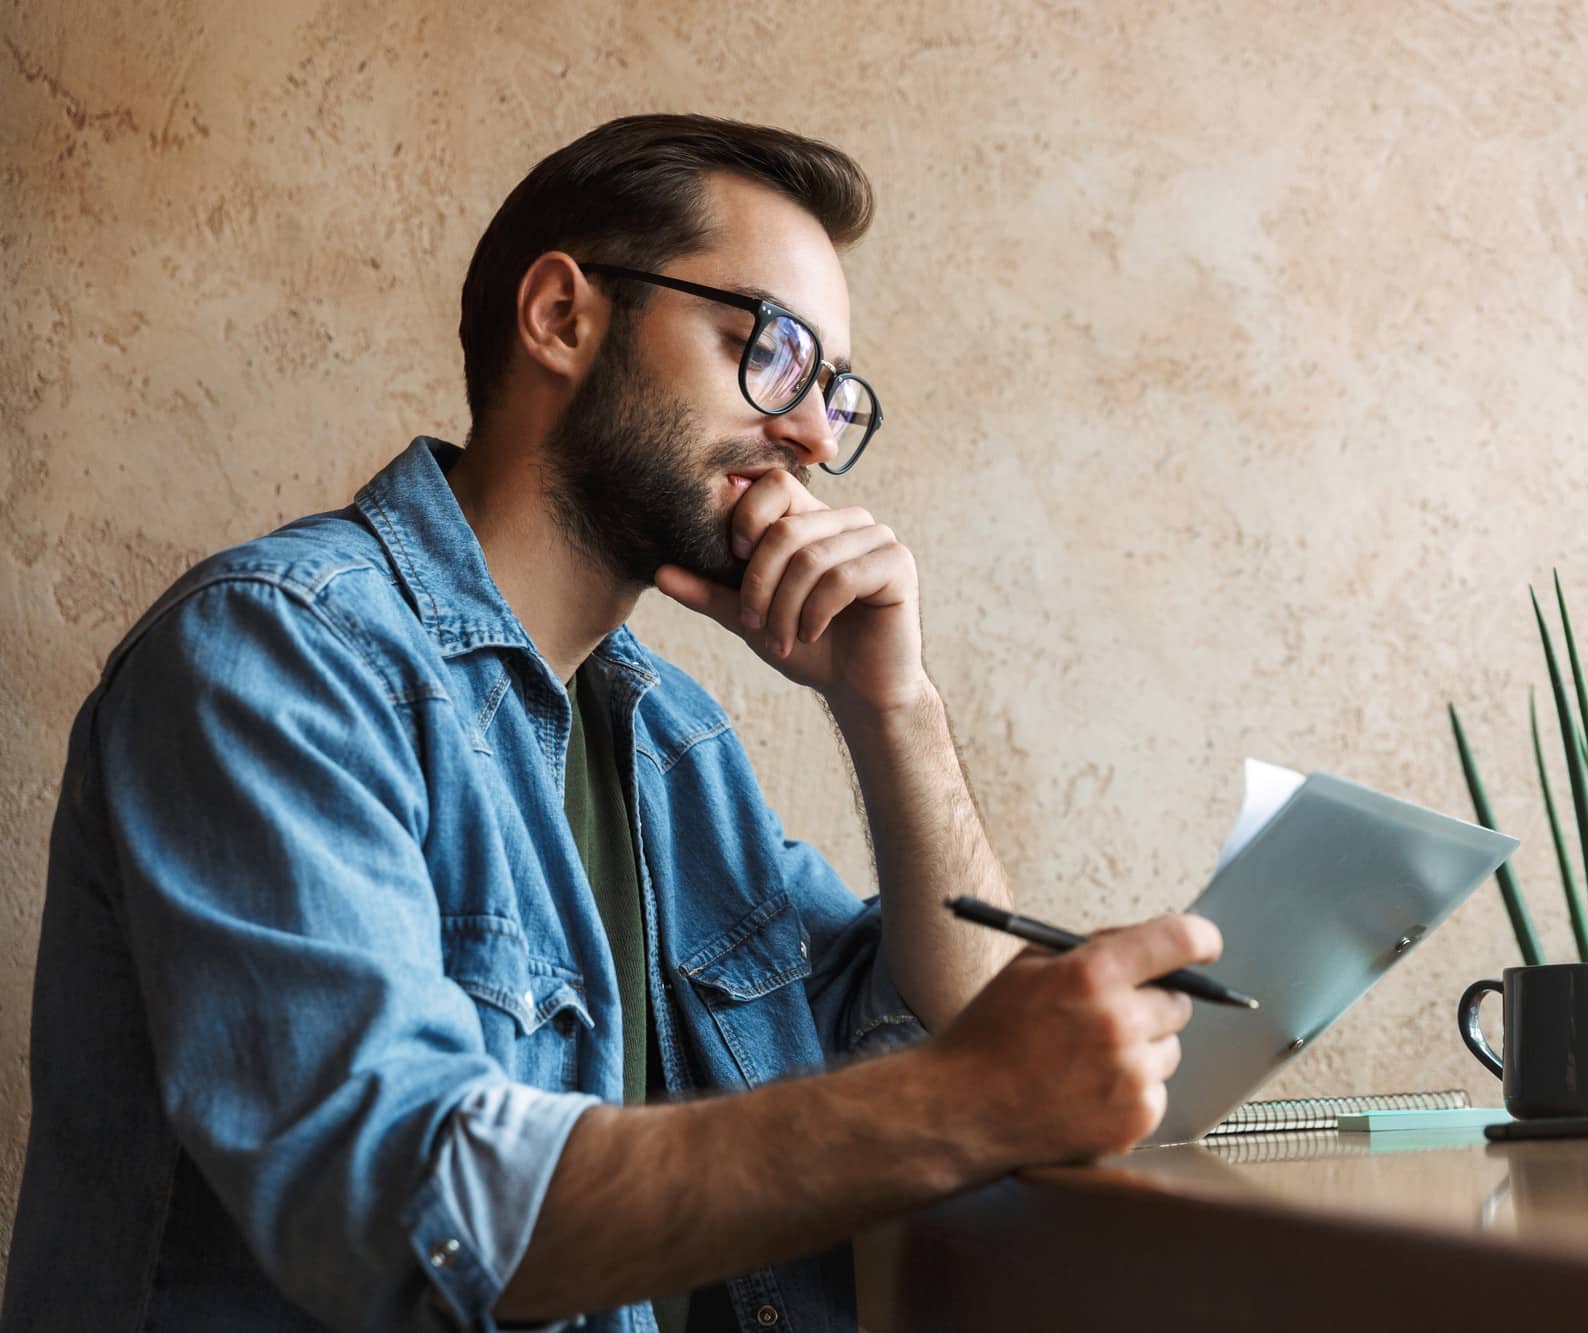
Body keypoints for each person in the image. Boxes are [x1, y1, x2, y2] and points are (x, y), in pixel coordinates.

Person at [0, 114, 1220, 1333]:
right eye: (769, 349)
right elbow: (398, 1209)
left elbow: (942, 1031)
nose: (807, 434)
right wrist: (967, 1099)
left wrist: (891, 710)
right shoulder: (278, 654)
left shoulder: (668, 740)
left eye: (831, 392)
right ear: (562, 318)